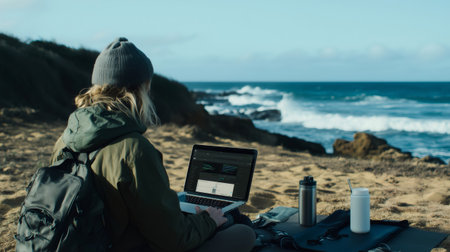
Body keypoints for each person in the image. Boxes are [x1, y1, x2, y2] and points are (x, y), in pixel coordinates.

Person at [50, 37, 255, 252]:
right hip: (119, 246)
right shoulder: (134, 149)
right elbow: (173, 241)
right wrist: (209, 220)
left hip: (76, 242)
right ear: (140, 89)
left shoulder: (65, 139)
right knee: (243, 233)